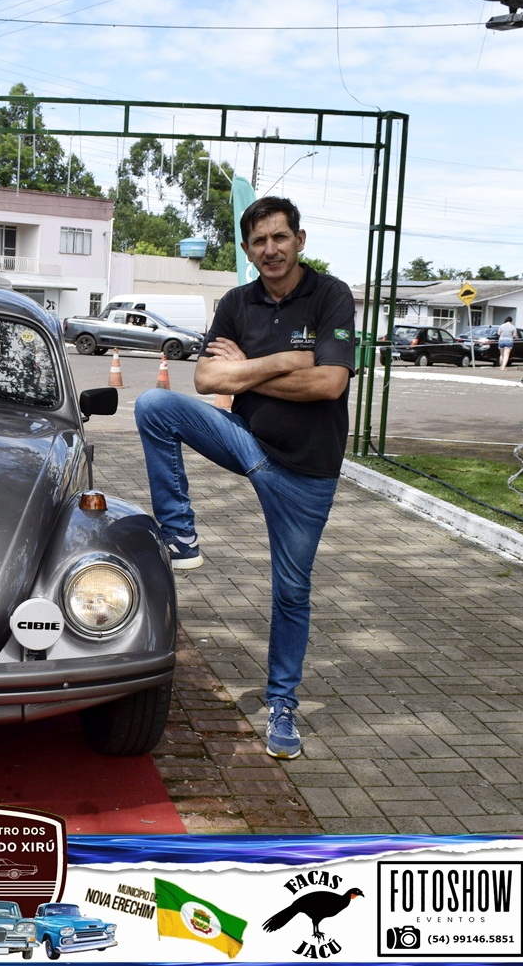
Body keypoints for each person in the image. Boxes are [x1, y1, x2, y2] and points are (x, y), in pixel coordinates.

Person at [134, 196, 354, 760]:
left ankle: (282, 704)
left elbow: (330, 384)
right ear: (247, 249)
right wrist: (283, 361)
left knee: (292, 591)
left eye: (279, 237)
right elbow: (207, 380)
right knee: (156, 405)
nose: (270, 249)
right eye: (259, 241)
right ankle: (180, 533)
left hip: (306, 471)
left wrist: (244, 371)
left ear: (299, 240)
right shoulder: (236, 302)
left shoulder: (330, 296)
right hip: (249, 442)